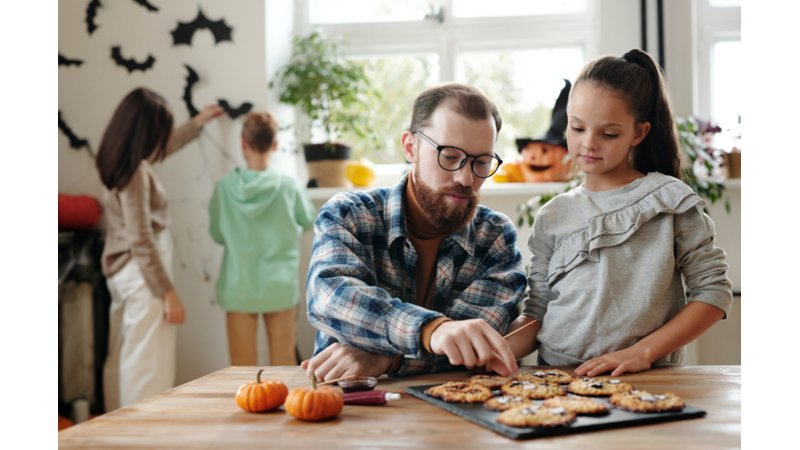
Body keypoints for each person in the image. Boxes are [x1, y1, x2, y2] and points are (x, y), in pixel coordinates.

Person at [492, 49, 733, 377]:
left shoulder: (671, 201)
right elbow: (537, 314)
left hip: (644, 377)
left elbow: (714, 293)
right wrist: (496, 350)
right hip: (558, 377)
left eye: (608, 134)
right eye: (577, 129)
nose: (588, 144)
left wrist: (641, 353)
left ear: (638, 133)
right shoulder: (552, 215)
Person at [302, 83, 528, 381]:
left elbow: (474, 345)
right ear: (411, 147)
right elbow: (331, 297)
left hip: (463, 410)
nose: (465, 178)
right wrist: (431, 330)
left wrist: (387, 361)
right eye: (449, 156)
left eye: (482, 162)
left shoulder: (495, 236)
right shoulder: (349, 214)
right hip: (352, 407)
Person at [96, 87, 223, 410]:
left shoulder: (116, 160)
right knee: (147, 365)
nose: (163, 140)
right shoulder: (136, 173)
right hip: (145, 274)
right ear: (147, 134)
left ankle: (118, 433)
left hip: (123, 273)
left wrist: (199, 122)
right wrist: (167, 293)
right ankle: (145, 436)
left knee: (123, 356)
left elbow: (166, 146)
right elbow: (141, 237)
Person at [208, 111, 316, 367]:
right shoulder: (290, 186)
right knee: (284, 362)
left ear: (242, 142)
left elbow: (217, 234)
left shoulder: (224, 187)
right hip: (280, 288)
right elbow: (309, 220)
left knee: (241, 367)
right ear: (275, 145)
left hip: (238, 288)